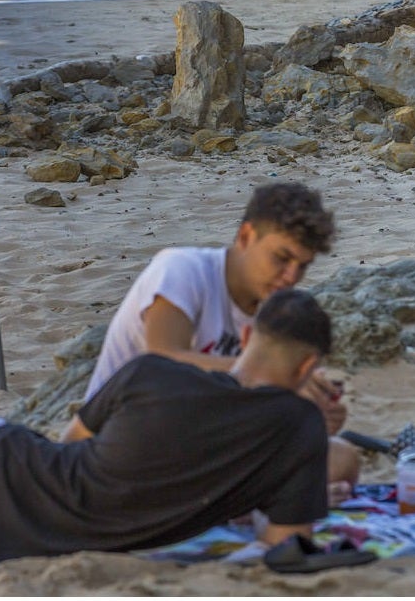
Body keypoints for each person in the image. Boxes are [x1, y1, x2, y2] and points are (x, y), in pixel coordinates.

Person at [0, 288, 334, 563]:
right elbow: (284, 544)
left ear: (247, 337)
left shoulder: (151, 371)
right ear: (308, 366)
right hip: (5, 532)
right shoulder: (300, 427)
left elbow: (71, 441)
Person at [78, 181, 359, 493]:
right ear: (246, 236)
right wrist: (277, 374)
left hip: (198, 444)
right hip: (127, 440)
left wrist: (312, 415)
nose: (292, 276)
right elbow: (162, 361)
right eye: (281, 258)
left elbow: (244, 402)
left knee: (341, 457)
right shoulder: (184, 269)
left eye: (302, 266)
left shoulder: (270, 314)